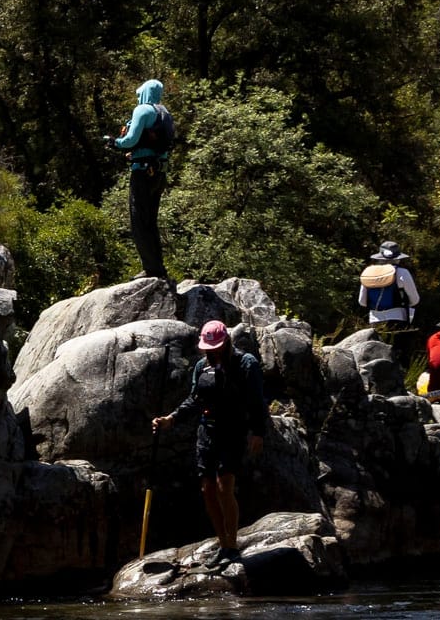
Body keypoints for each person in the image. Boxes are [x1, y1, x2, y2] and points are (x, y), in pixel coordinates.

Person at [152, 320, 268, 561]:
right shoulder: (201, 367)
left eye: (215, 347)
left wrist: (258, 432)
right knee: (207, 489)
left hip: (233, 431)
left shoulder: (246, 363)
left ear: (226, 342)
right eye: (207, 348)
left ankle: (232, 546)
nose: (211, 351)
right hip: (207, 431)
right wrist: (171, 419)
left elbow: (258, 401)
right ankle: (222, 542)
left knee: (225, 486)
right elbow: (195, 399)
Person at [105, 79, 173, 280]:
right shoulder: (165, 113)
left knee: (139, 221)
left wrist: (115, 143)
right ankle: (157, 267)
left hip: (143, 173)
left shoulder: (142, 110)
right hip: (159, 173)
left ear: (143, 93)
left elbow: (131, 140)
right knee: (150, 221)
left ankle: (152, 270)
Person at [357, 241, 420, 326]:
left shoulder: (369, 273)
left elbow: (362, 302)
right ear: (398, 258)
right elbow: (415, 299)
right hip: (397, 318)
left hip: (374, 319)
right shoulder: (402, 272)